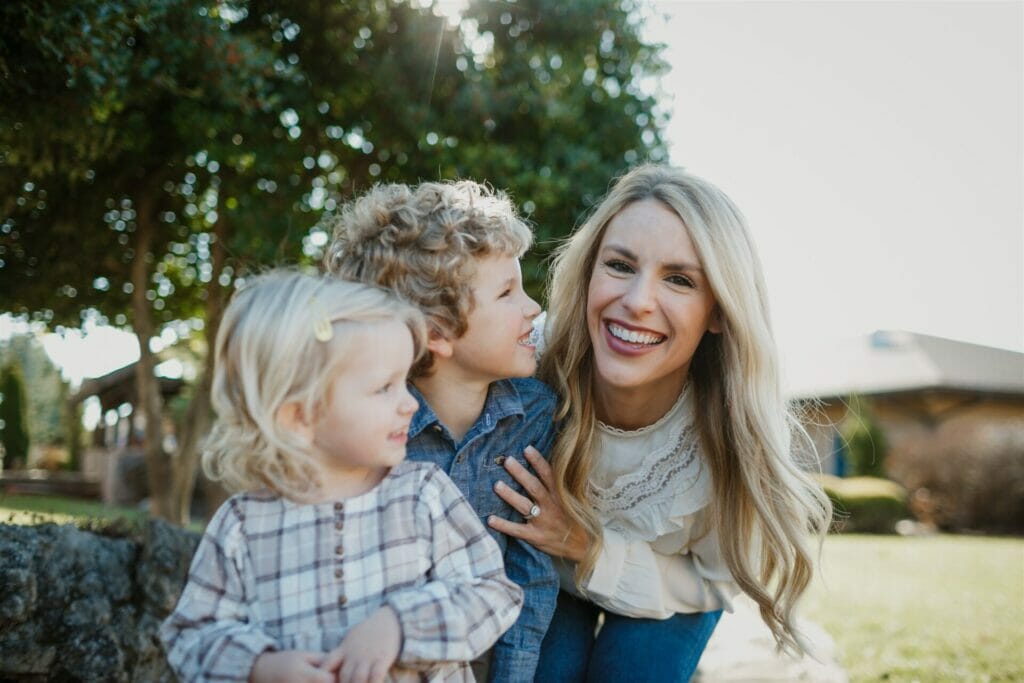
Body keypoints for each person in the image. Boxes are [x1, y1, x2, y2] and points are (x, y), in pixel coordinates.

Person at [489, 164, 833, 681]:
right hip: (546, 572)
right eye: (620, 266)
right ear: (588, 275)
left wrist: (589, 547)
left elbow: (714, 580)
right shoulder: (531, 357)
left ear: (718, 311)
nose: (637, 302)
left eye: (679, 279)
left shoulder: (736, 427)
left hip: (669, 589)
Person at [159, 271, 523, 683]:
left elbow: (494, 595)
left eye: (403, 382)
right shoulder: (243, 526)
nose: (409, 404)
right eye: (383, 388)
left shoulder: (423, 494)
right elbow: (190, 638)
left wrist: (401, 626)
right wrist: (261, 666)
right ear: (299, 416)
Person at [324, 180, 559, 682]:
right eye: (506, 293)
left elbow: (530, 575)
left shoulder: (536, 416)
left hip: (487, 654)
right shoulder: (372, 431)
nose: (532, 308)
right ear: (436, 332)